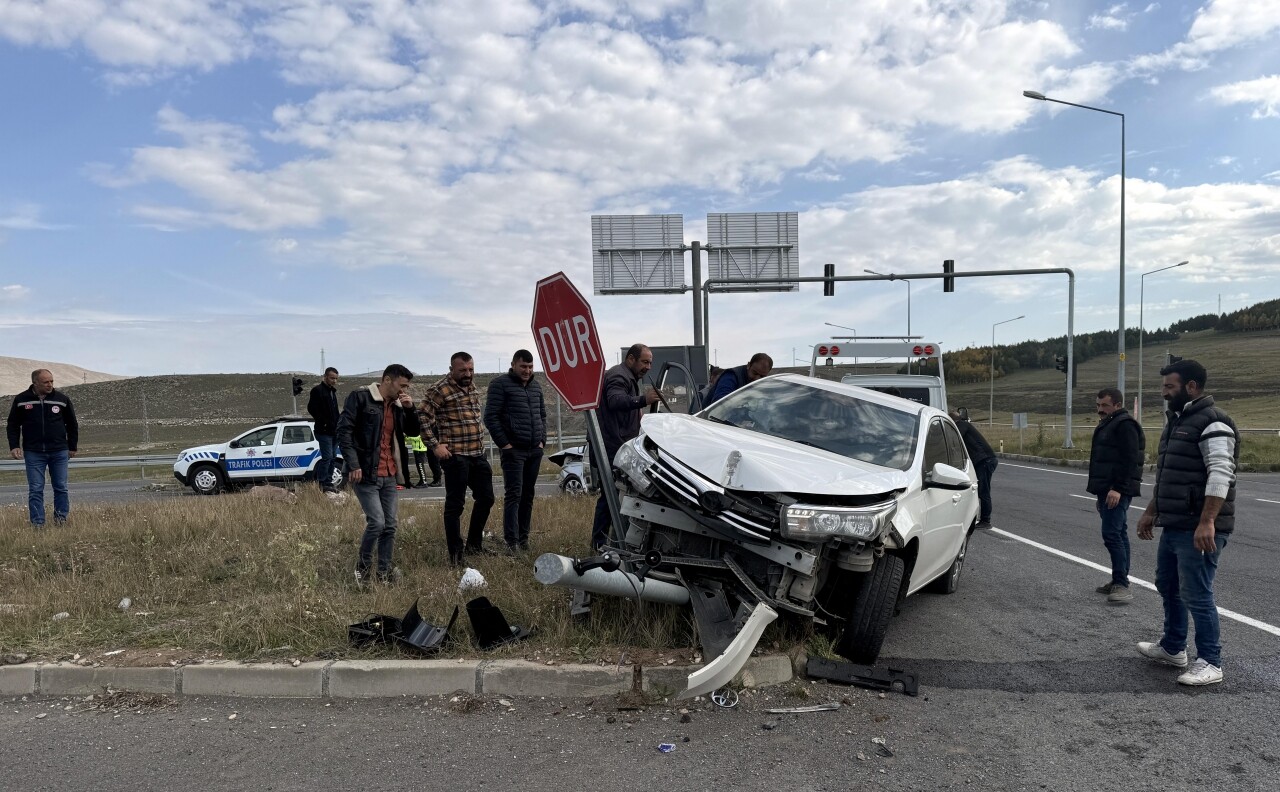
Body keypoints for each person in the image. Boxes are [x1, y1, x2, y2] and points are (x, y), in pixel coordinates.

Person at [1135, 359, 1238, 686]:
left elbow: (1222, 473)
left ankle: (1211, 661)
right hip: (1176, 522)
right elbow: (1169, 476)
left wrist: (1208, 521)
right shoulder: (1178, 420)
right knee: (1168, 584)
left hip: (1200, 526)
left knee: (1196, 592)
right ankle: (1173, 647)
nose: (1164, 393)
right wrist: (1152, 509)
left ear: (1191, 387)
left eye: (1170, 387)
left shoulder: (1213, 422)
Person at [336, 364, 420, 586]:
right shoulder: (360, 398)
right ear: (386, 380)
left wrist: (411, 409)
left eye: (406, 387)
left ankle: (383, 573)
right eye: (401, 385)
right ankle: (362, 570)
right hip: (364, 473)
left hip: (390, 473)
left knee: (390, 525)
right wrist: (353, 464)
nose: (404, 390)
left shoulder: (399, 407)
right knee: (377, 523)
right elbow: (344, 431)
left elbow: (413, 432)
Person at [421, 352, 496, 566]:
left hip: (477, 453)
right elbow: (423, 416)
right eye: (463, 370)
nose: (468, 373)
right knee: (455, 505)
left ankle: (474, 545)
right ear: (452, 369)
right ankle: (456, 555)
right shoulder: (440, 388)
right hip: (455, 456)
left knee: (486, 498)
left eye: (471, 369)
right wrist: (435, 445)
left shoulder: (471, 387)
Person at [591, 344, 660, 550]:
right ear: (631, 359)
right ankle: (601, 545)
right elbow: (615, 401)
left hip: (616, 445)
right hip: (611, 448)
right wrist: (643, 400)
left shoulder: (628, 378)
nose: (648, 367)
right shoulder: (619, 376)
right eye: (645, 362)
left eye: (650, 363)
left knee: (616, 497)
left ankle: (611, 543)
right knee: (611, 498)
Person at [484, 349, 548, 555]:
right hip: (514, 451)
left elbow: (542, 415)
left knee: (528, 495)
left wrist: (542, 441)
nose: (527, 370)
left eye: (530, 367)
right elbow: (491, 417)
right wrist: (505, 445)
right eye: (523, 366)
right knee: (514, 495)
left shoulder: (536, 387)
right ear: (513, 365)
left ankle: (523, 538)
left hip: (534, 450)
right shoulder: (500, 385)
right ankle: (512, 542)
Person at [1086, 387, 1145, 604]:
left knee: (1112, 534)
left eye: (1105, 405)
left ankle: (1122, 584)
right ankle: (1118, 579)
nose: (1100, 410)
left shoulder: (1124, 425)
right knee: (1118, 533)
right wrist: (1101, 492)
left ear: (1118, 405)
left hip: (1116, 489)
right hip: (1107, 489)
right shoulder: (1110, 423)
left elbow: (1129, 460)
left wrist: (1117, 488)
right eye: (1098, 405)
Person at [6, 369, 79, 528]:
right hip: (34, 452)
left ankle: (61, 521)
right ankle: (38, 524)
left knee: (61, 487)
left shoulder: (61, 399)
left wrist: (72, 446)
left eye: (52, 381)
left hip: (59, 451)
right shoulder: (21, 399)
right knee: (36, 489)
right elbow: (13, 425)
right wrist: (14, 445)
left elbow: (72, 424)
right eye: (46, 382)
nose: (50, 384)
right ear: (35, 383)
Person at [949, 406, 997, 529]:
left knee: (983, 491)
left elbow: (955, 437)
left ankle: (986, 521)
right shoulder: (964, 425)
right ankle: (978, 518)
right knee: (977, 490)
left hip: (985, 460)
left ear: (954, 422)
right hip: (983, 460)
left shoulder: (963, 425)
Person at [307, 367, 341, 492]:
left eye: (336, 379)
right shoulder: (318, 391)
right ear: (325, 377)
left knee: (333, 456)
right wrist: (324, 422)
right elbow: (312, 408)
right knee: (327, 457)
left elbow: (335, 411)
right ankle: (322, 482)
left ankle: (328, 482)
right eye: (332, 378)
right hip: (324, 431)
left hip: (334, 431)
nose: (334, 381)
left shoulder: (332, 392)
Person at [705, 353, 773, 406]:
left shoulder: (765, 384)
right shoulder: (731, 376)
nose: (757, 379)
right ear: (749, 365)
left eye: (762, 376)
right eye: (754, 373)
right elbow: (720, 403)